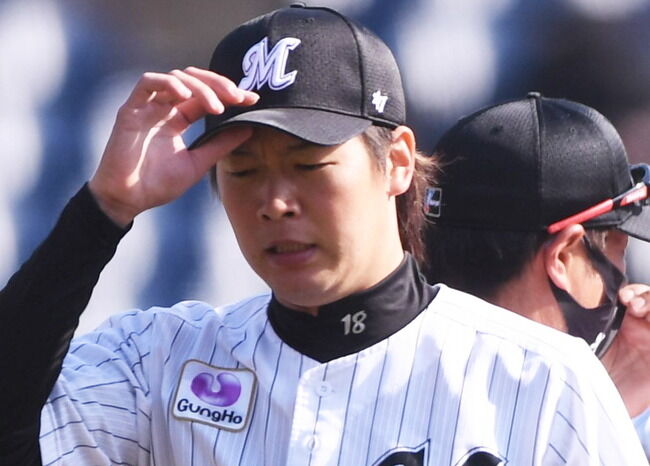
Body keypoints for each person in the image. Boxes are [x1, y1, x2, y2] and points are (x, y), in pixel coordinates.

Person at [0, 6, 646, 466]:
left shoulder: (541, 376)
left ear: (397, 162)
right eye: (243, 171)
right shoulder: (160, 362)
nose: (275, 202)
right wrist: (104, 210)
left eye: (309, 165)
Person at [423, 92, 650, 457]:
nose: (623, 278)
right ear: (563, 256)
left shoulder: (354, 369)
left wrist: (610, 393)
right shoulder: (566, 385)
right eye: (618, 251)